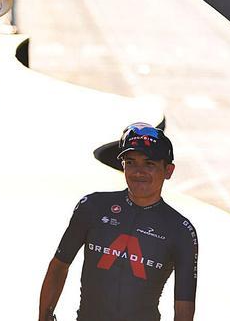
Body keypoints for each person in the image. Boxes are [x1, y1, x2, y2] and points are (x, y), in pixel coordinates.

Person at [38, 123, 197, 321]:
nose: (139, 172)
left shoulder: (181, 230)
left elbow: (184, 303)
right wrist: (44, 317)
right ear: (122, 166)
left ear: (168, 171)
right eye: (131, 162)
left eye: (149, 164)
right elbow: (58, 267)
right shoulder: (92, 207)